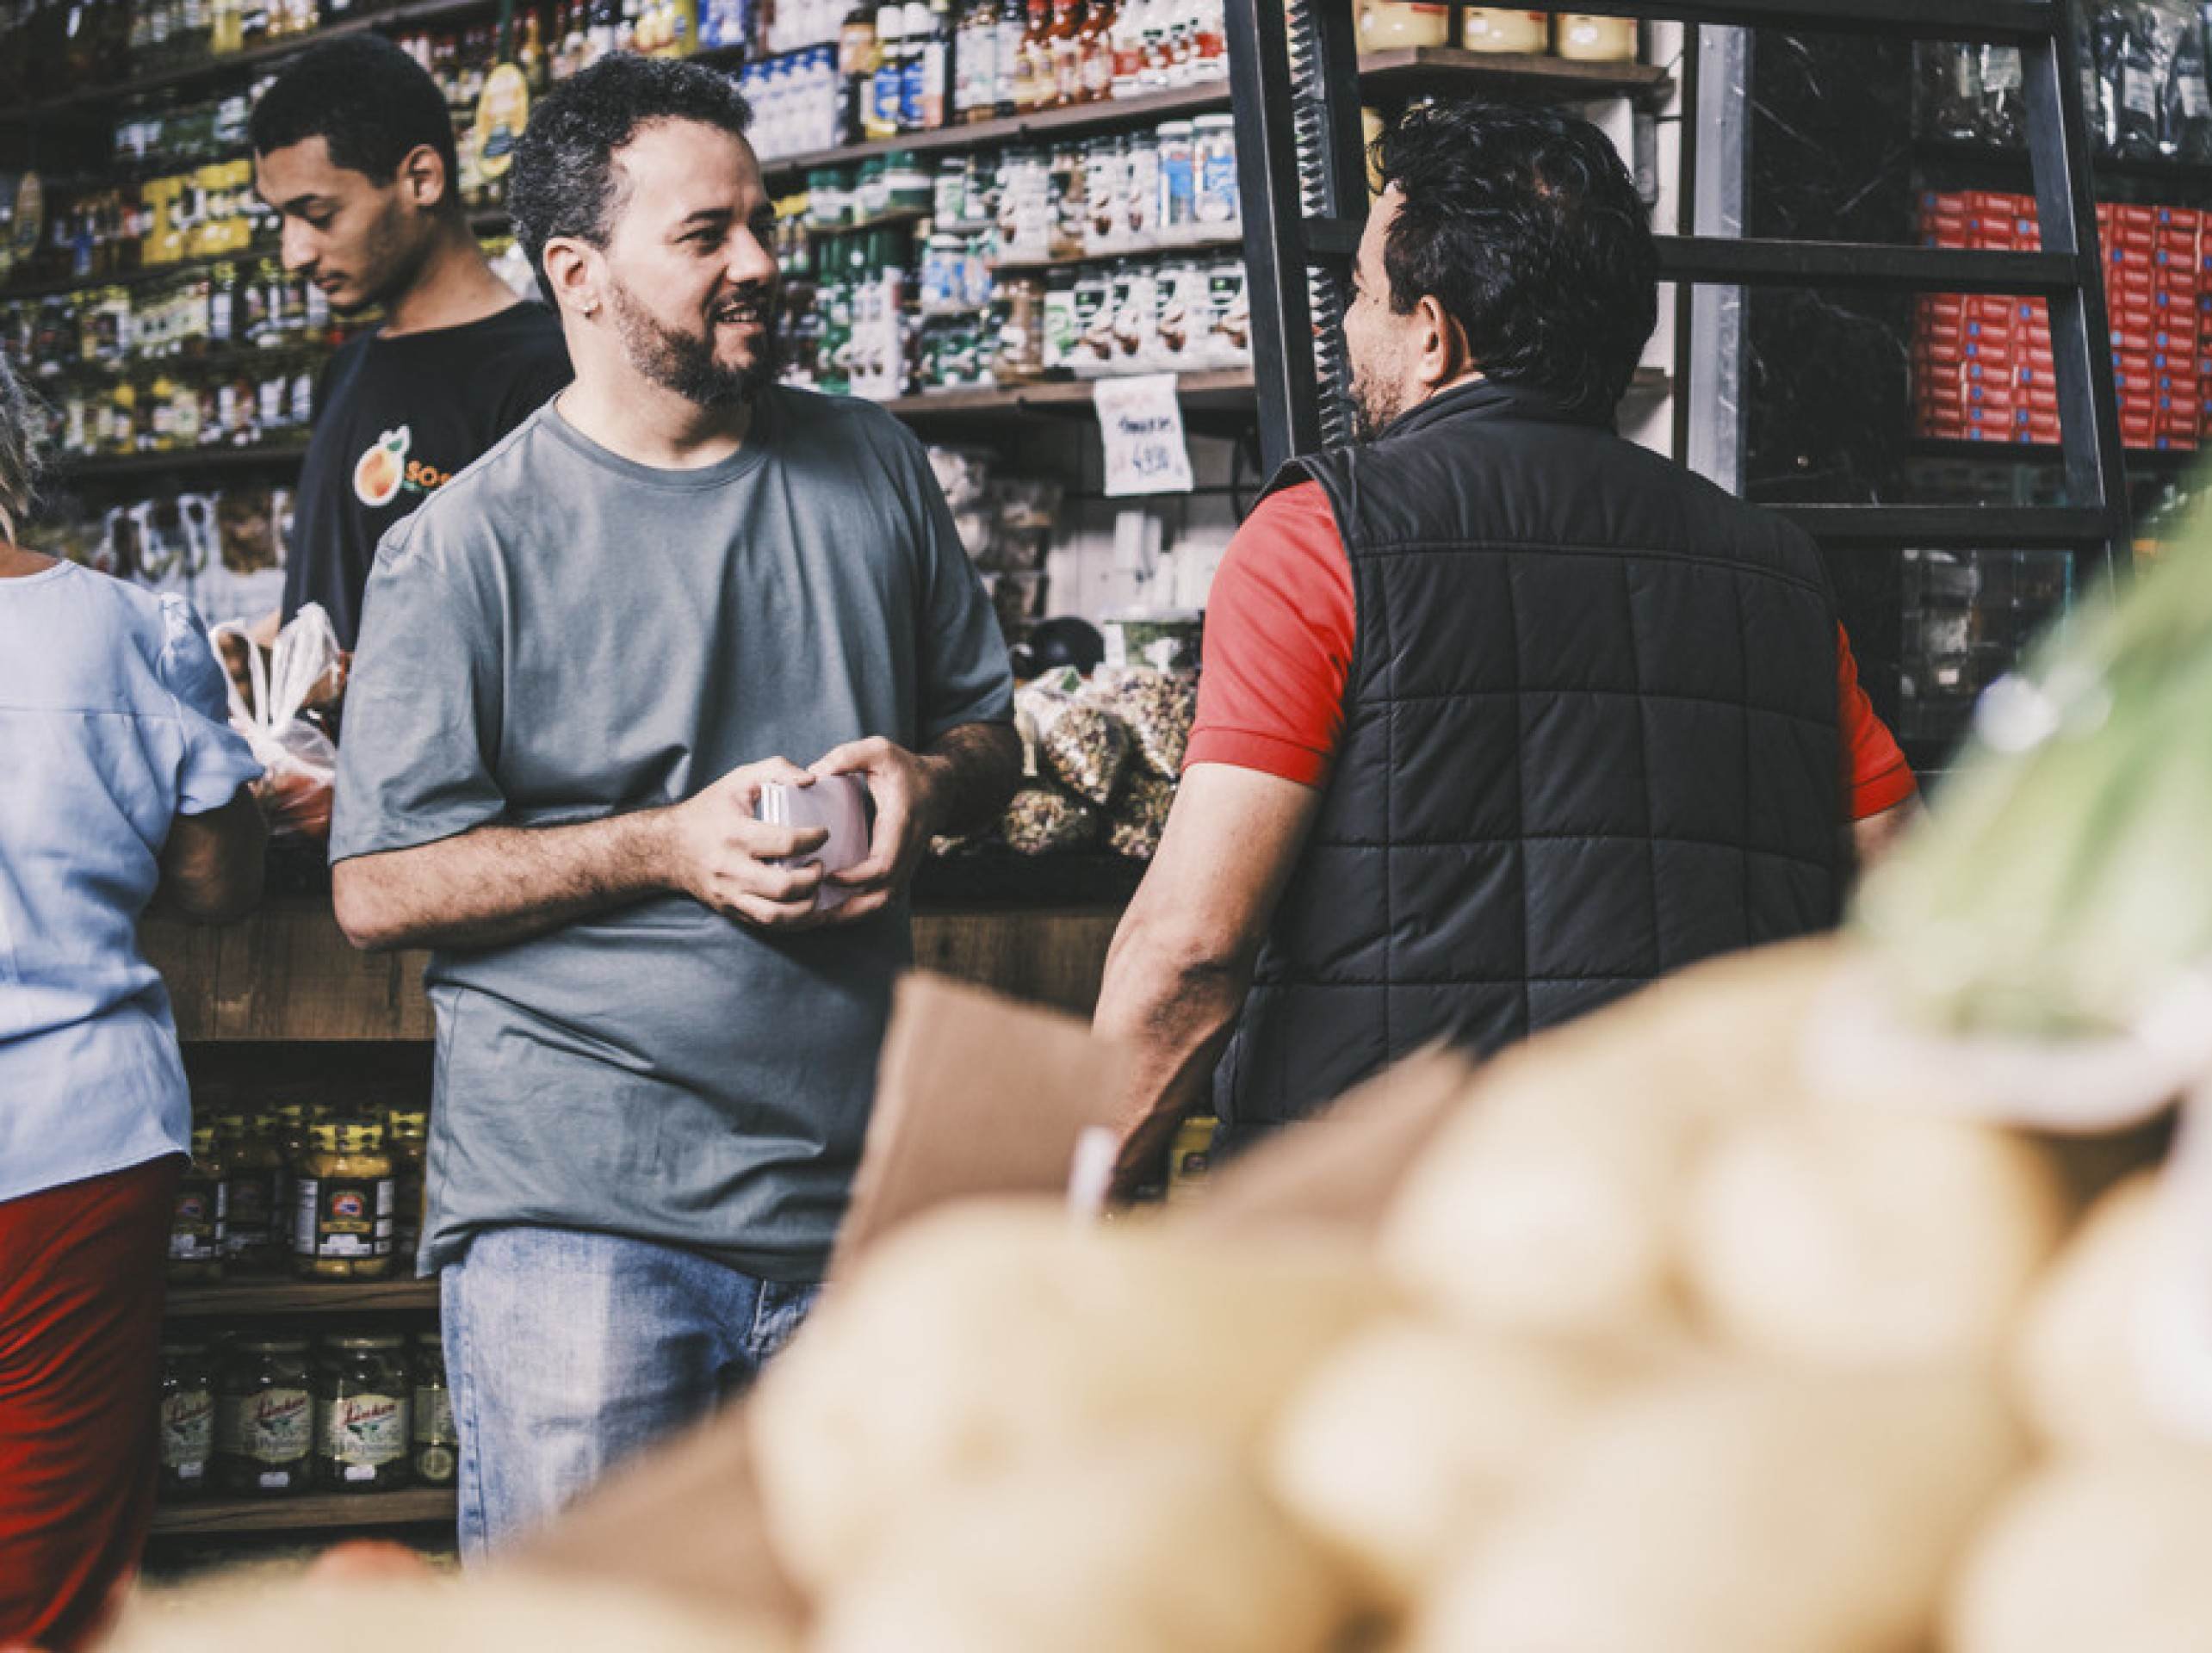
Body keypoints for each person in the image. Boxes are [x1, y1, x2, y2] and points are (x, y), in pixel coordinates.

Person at [324, 55, 1019, 1559]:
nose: (760, 263)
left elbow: (989, 735)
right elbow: (377, 886)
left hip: (860, 1207)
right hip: (583, 1223)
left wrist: (926, 776)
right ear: (578, 273)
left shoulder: (876, 469)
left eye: (760, 224)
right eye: (706, 236)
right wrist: (666, 846)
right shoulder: (465, 549)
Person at [1094, 99, 1917, 1183]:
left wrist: (1056, 1202)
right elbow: (1907, 898)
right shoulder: (1777, 571)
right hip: (1685, 1229)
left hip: (1379, 1242)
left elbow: (1190, 952)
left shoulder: (1318, 541)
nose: (1345, 329)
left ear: (1433, 334)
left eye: (1358, 295)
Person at [0, 356, 265, 1648]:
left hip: (72, 1149)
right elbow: (216, 883)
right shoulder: (128, 625)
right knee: (50, 1568)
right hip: (72, 1140)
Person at [251, 33, 572, 650]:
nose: (294, 253)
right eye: (280, 220)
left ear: (421, 179)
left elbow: (544, 636)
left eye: (318, 216)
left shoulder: (541, 378)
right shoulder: (345, 369)